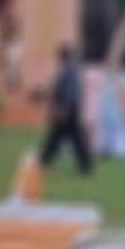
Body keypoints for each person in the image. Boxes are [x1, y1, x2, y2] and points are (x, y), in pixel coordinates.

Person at [39, 42, 94, 172]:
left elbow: (68, 92)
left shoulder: (68, 71)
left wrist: (62, 109)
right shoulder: (72, 70)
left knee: (59, 138)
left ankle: (44, 161)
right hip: (71, 109)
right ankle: (85, 166)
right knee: (73, 139)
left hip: (67, 110)